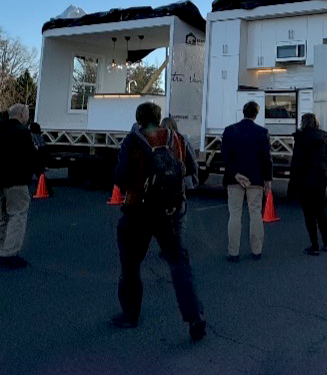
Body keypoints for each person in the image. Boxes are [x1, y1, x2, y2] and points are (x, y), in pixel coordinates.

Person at [112, 101, 206, 341]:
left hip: (138, 210)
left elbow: (120, 177)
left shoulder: (133, 141)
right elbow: (192, 170)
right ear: (159, 116)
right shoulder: (177, 139)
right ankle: (195, 317)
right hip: (168, 211)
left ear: (139, 119)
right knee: (179, 265)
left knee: (131, 265)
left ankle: (130, 315)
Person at [0, 103, 41, 268]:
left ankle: (0, 248)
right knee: (17, 214)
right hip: (15, 180)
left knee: (1, 215)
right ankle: (9, 253)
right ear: (22, 115)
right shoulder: (22, 133)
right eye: (27, 114)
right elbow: (31, 157)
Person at [221, 101, 272, 261]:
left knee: (234, 214)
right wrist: (268, 179)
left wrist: (235, 173)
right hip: (255, 178)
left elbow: (225, 156)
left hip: (234, 178)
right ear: (256, 114)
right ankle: (256, 250)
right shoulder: (262, 132)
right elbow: (266, 158)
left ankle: (233, 252)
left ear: (243, 112)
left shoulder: (229, 131)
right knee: (255, 213)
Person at [288, 113, 327, 255]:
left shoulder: (301, 138)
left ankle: (314, 245)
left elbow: (297, 163)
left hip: (305, 179)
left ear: (303, 123)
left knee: (309, 214)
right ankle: (326, 242)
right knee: (320, 211)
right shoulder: (323, 137)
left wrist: (293, 184)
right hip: (320, 177)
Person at [162, 117, 198, 242]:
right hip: (178, 184)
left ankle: (166, 243)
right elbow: (192, 164)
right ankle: (177, 242)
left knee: (163, 215)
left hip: (162, 184)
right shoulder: (182, 139)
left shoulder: (157, 141)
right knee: (179, 215)